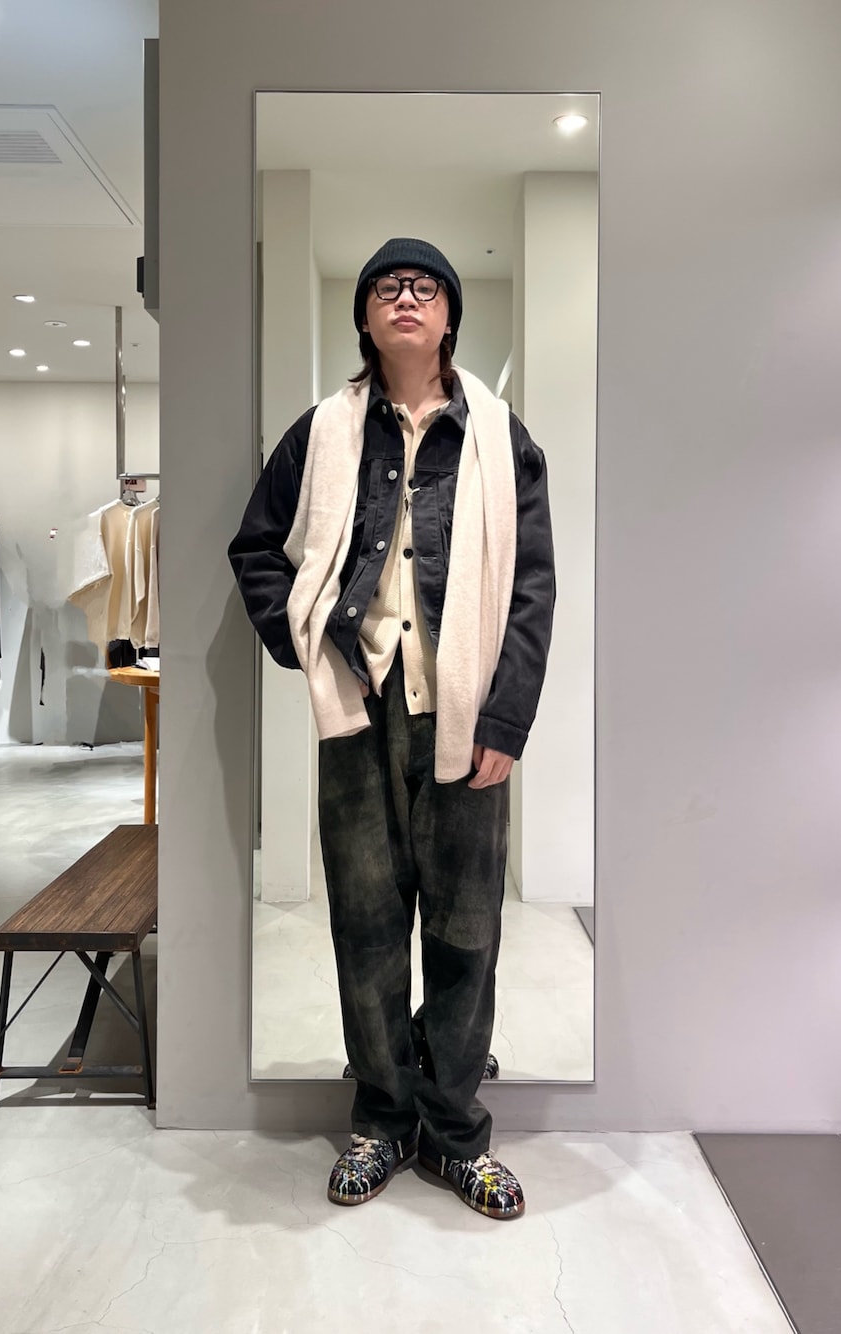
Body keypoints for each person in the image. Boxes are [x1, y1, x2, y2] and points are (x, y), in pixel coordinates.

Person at [229, 238, 554, 1220]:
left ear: (448, 314)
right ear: (365, 317)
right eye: (385, 287)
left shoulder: (501, 436)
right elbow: (257, 546)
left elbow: (532, 588)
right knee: (366, 930)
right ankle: (381, 1117)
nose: (403, 297)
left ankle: (454, 1131)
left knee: (466, 932)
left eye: (422, 287)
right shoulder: (322, 431)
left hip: (465, 719)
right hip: (359, 713)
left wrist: (506, 716)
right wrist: (302, 645)